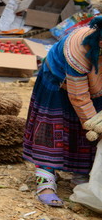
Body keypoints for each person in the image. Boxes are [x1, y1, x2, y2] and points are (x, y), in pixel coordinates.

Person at [23, 18, 102, 207]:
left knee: (86, 137)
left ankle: (81, 174)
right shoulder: (79, 49)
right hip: (59, 83)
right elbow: (79, 96)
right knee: (52, 131)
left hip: (96, 86)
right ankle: (46, 181)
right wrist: (94, 124)